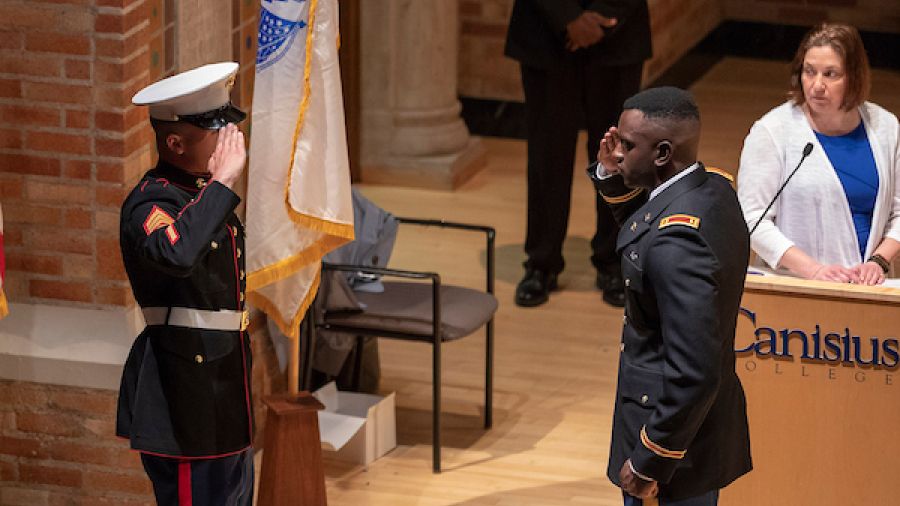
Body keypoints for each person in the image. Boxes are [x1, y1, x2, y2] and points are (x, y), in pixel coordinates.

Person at [589, 87, 752, 505]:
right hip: (697, 432)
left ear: (662, 154)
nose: (618, 153)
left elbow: (693, 370)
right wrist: (613, 177)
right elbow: (648, 229)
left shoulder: (677, 246)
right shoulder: (713, 190)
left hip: (670, 442)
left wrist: (650, 459)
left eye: (627, 145)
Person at [117, 62, 254, 506]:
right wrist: (224, 181)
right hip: (183, 396)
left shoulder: (199, 197)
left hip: (224, 390)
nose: (231, 143)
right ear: (175, 142)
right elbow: (176, 253)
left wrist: (215, 187)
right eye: (218, 133)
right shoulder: (150, 203)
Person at [504, 0, 652, 307]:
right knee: (548, 154)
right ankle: (541, 262)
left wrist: (607, 15)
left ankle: (615, 259)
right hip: (546, 34)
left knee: (620, 152)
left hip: (619, 34)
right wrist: (567, 17)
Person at [737, 23, 900, 285]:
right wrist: (813, 270)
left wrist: (879, 261)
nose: (817, 85)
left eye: (831, 74)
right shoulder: (772, 131)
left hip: (869, 288)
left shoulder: (886, 126)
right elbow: (753, 219)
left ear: (854, 77)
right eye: (809, 72)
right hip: (798, 287)